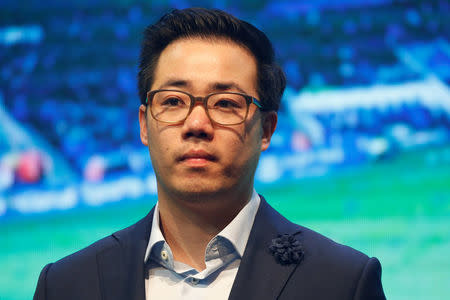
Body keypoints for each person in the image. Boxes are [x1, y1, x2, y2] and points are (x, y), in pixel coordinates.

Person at [33, 8, 386, 300]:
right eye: (172, 101)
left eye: (226, 103)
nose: (196, 123)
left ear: (266, 129)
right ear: (144, 124)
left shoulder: (342, 282)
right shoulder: (65, 285)